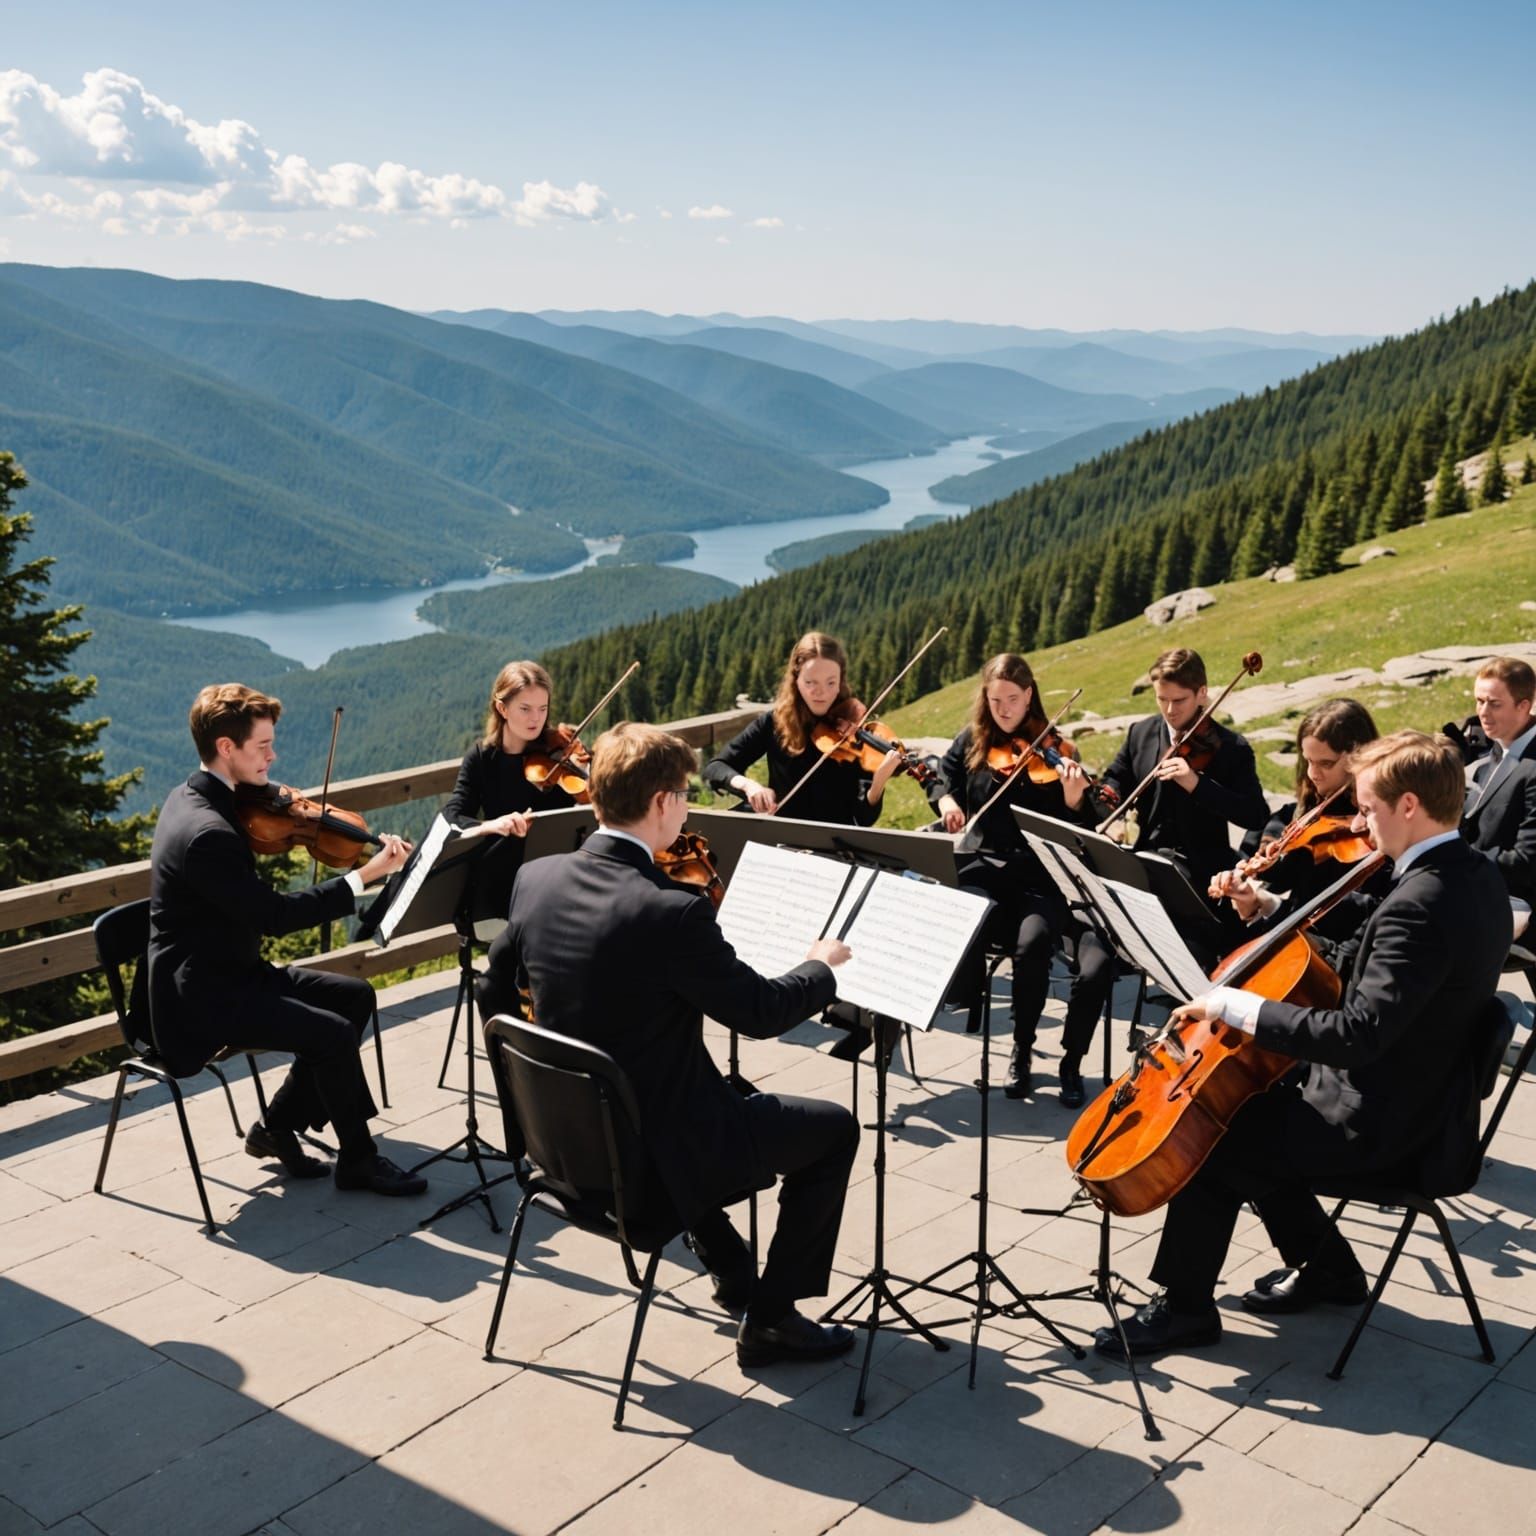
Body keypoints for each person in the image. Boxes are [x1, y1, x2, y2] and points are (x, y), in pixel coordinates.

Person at [1095, 730, 1512, 1359]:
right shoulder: (1467, 873)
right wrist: (1268, 909)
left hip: (1386, 1126)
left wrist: (1241, 1007)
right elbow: (1368, 971)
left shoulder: (1419, 904)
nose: (1361, 824)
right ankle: (1330, 1271)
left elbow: (1357, 1035)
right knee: (1258, 1116)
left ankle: (1185, 1310)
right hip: (1427, 1098)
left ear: (1408, 807)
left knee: (1221, 1140)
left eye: (1369, 809)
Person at [486, 721, 862, 1367]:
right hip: (646, 1168)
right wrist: (819, 967)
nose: (685, 807)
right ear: (662, 802)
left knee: (707, 1088)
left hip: (563, 1147)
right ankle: (773, 1320)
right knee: (833, 1130)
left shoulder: (537, 879)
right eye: (684, 796)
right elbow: (763, 1012)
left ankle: (733, 1272)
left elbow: (498, 987)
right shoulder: (671, 910)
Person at [148, 684, 425, 1196]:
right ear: (226, 749)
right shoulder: (207, 832)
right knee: (332, 1033)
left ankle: (277, 1127)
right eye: (262, 747)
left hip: (230, 972)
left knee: (355, 996)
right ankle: (359, 1160)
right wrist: (365, 877)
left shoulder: (198, 795)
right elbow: (273, 916)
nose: (273, 758)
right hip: (202, 998)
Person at [935, 654, 1114, 1106]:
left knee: (1033, 945)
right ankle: (967, 1000)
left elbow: (1088, 829)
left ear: (1030, 695)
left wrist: (1075, 801)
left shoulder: (1059, 752)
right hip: (985, 867)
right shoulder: (973, 741)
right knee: (963, 913)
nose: (1004, 710)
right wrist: (946, 802)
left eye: (1012, 700)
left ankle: (1028, 1046)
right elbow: (940, 779)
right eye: (995, 701)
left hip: (1039, 877)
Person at [1099, 647, 1270, 933]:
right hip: (1145, 862)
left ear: (1202, 693)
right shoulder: (1140, 732)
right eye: (1161, 699)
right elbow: (1116, 777)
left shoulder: (1231, 748)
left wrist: (1196, 784)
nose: (1169, 710)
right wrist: (1108, 802)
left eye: (1179, 700)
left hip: (1202, 876)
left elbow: (1255, 815)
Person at [444, 662, 576, 1021]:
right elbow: (453, 814)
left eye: (543, 708)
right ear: (501, 708)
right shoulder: (481, 759)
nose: (537, 719)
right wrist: (493, 825)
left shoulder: (559, 758)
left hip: (555, 888)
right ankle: (525, 1033)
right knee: (522, 960)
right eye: (525, 708)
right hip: (500, 893)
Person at [1210, 699, 1387, 951]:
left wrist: (1268, 903)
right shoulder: (1312, 806)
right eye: (1308, 761)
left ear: (1358, 756)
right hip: (1300, 939)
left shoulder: (1376, 829)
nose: (1313, 774)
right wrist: (1254, 892)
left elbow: (1353, 920)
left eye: (1326, 763)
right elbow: (1291, 898)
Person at [703, 631, 902, 826]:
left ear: (841, 680)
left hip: (835, 847)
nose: (821, 692)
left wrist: (877, 785)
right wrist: (749, 786)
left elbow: (863, 820)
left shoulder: (853, 734)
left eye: (831, 682)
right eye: (810, 682)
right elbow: (716, 767)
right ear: (796, 680)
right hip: (782, 841)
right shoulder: (774, 723)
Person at [1461, 655, 1536, 904]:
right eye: (1479, 701)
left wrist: (1456, 859)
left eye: (1494, 704)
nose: (1483, 713)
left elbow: (1527, 861)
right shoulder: (1494, 748)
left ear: (1523, 706)